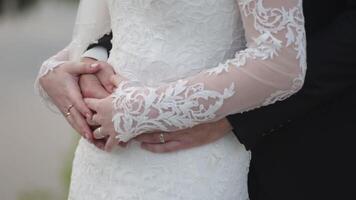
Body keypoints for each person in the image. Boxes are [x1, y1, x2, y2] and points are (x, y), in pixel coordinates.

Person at [82, 0, 356, 199]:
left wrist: (144, 110)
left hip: (299, 147)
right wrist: (87, 62)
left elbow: (282, 62)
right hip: (107, 162)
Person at [35, 0, 306, 199]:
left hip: (189, 164)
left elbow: (281, 62)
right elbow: (115, 27)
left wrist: (139, 111)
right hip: (102, 166)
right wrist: (63, 68)